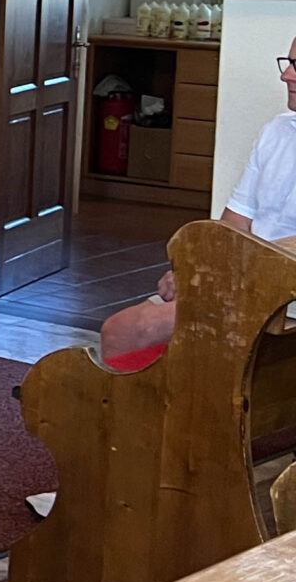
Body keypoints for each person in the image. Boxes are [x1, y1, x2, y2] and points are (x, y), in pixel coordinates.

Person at [99, 36, 296, 365]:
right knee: (118, 331)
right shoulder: (276, 131)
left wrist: (218, 276)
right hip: (243, 281)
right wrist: (193, 268)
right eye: (288, 63)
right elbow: (234, 223)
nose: (285, 75)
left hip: (280, 295)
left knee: (138, 330)